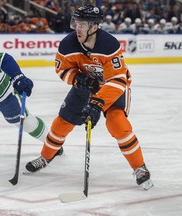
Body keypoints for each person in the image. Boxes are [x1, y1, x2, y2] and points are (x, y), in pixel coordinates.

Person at [25, 5, 153, 190]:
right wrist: (78, 78)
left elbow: (118, 80)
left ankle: (140, 168)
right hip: (84, 88)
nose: (78, 28)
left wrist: (97, 103)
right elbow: (62, 70)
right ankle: (45, 157)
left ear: (94, 26)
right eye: (76, 23)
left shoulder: (109, 45)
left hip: (111, 88)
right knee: (61, 123)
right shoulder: (67, 44)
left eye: (83, 24)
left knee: (118, 125)